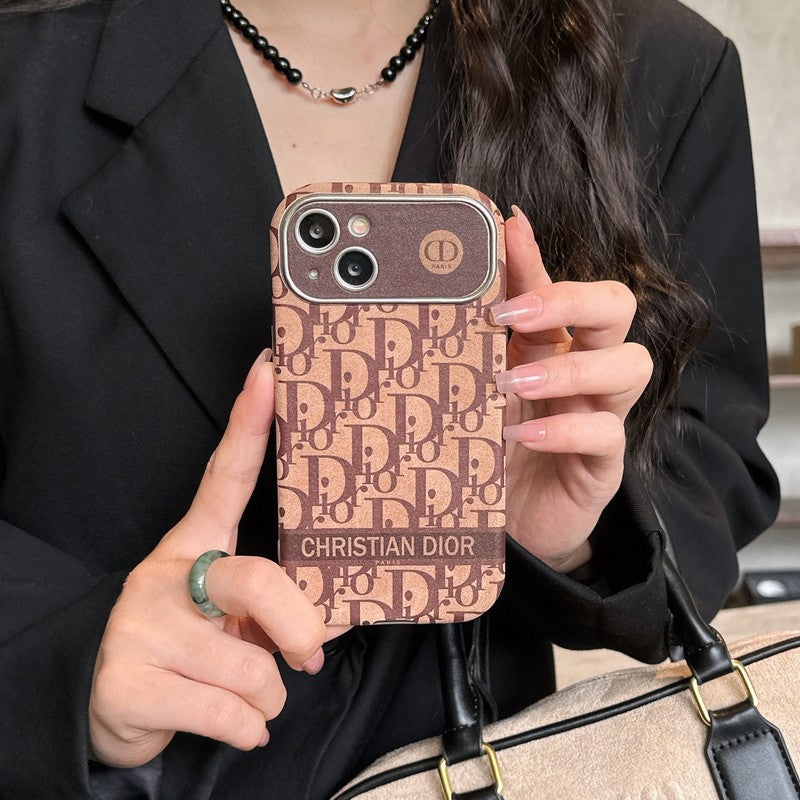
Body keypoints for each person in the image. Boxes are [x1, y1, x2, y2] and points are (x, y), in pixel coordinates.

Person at [0, 0, 779, 796]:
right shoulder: (26, 71)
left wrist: (573, 537)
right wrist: (66, 664)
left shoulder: (658, 63)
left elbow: (709, 458)